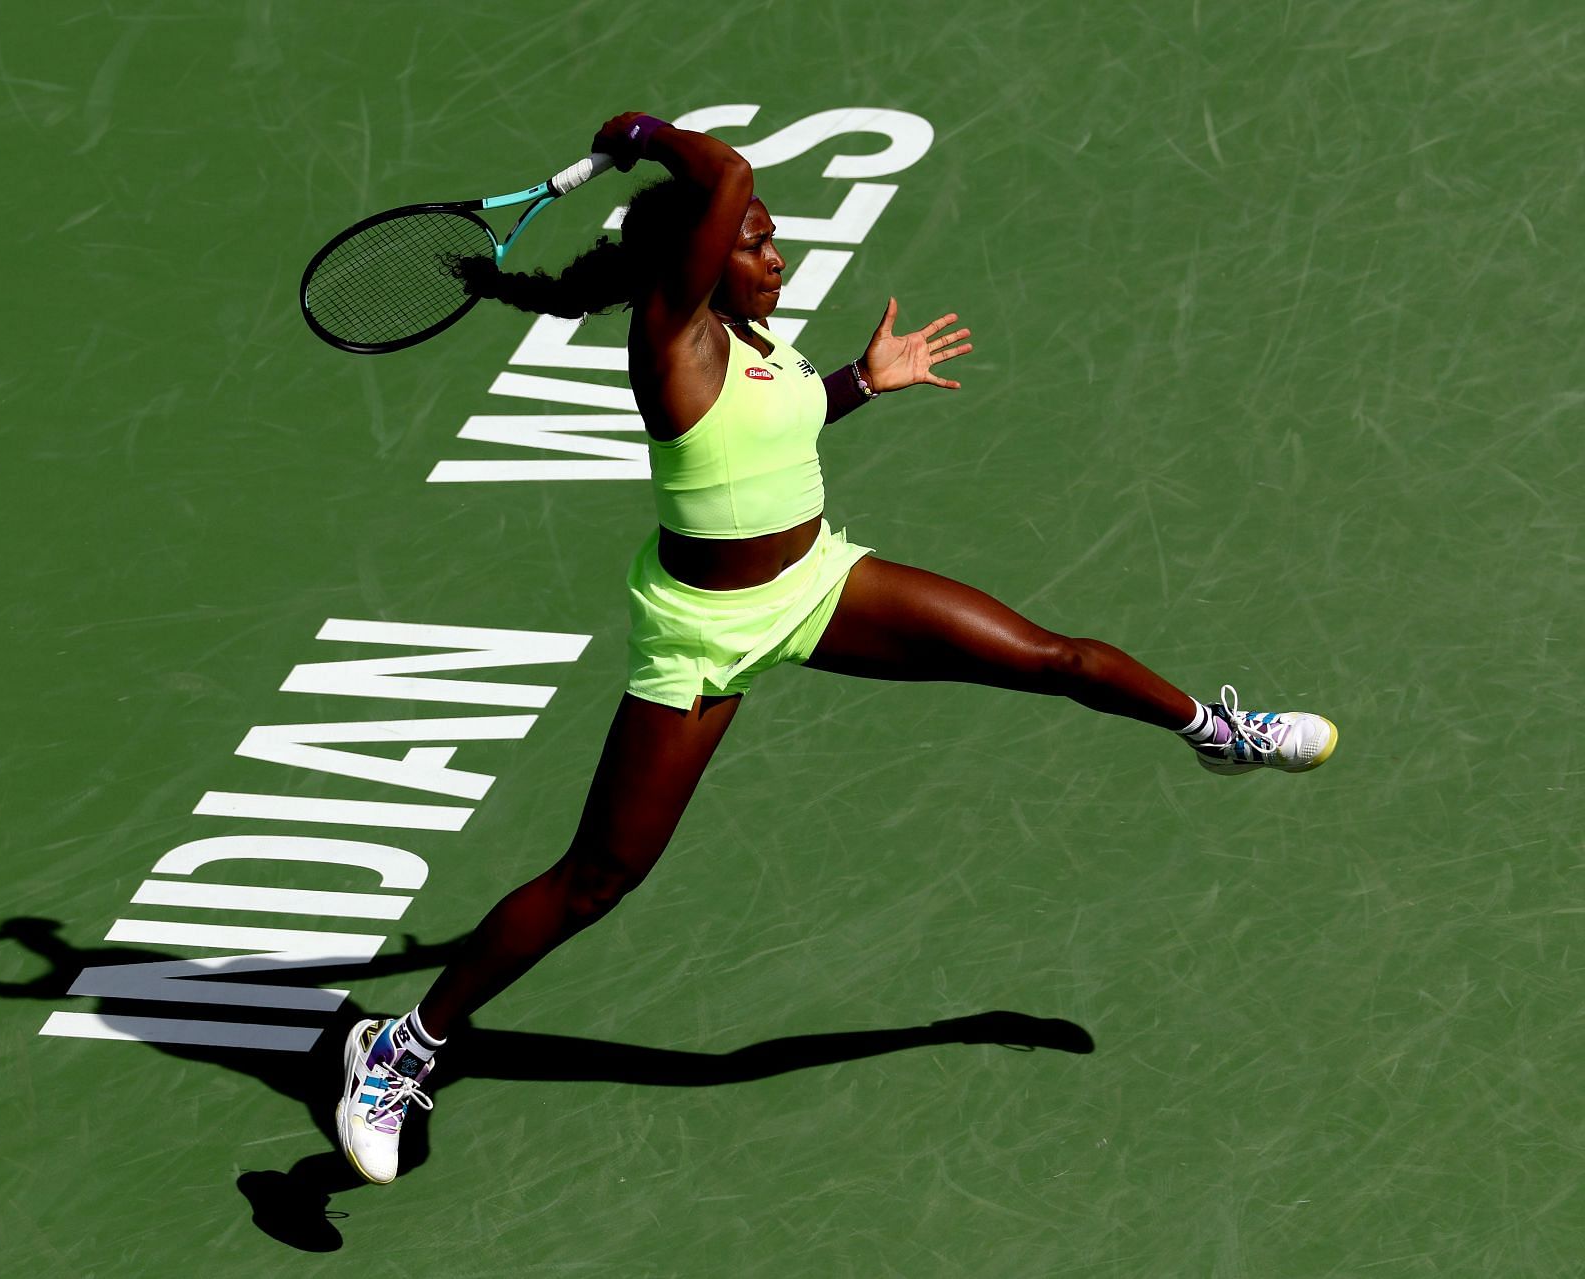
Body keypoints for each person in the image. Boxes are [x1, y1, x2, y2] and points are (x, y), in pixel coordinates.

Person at [335, 112, 1337, 1184]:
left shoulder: (757, 337)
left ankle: (1214, 731)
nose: (779, 257)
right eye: (756, 244)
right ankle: (401, 1047)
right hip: (705, 640)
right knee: (598, 878)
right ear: (699, 264)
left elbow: (773, 429)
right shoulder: (673, 336)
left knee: (1051, 657)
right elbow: (724, 168)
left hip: (819, 585)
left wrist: (861, 380)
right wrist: (638, 131)